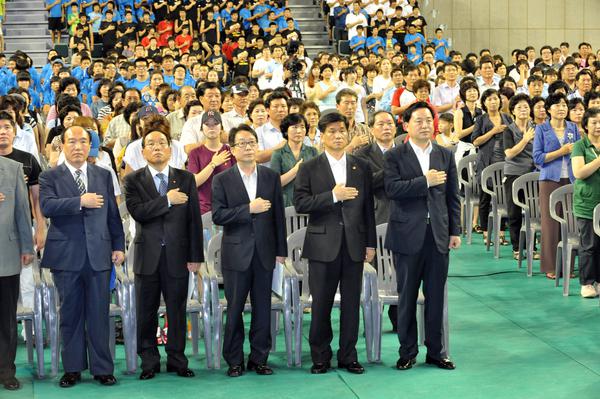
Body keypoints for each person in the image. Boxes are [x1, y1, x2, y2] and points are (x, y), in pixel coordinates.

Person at [40, 126, 125, 388]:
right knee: (71, 314)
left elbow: (112, 213)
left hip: (99, 254)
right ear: (62, 145)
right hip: (66, 256)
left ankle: (102, 368)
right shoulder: (50, 176)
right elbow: (46, 206)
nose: (78, 146)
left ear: (90, 146)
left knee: (99, 313)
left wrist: (119, 245)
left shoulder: (102, 174)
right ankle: (73, 368)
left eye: (83, 142)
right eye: (72, 142)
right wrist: (79, 201)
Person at [293, 111, 376, 375]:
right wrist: (332, 196)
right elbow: (301, 203)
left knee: (352, 304)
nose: (338, 135)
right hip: (321, 245)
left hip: (354, 244)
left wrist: (371, 244)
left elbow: (368, 210)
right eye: (331, 131)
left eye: (342, 130)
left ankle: (348, 356)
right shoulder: (309, 166)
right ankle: (320, 356)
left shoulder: (360, 166)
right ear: (322, 135)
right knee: (321, 305)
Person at [383, 101, 461, 371]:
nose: (426, 125)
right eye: (419, 121)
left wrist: (455, 230)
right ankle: (407, 351)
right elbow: (392, 189)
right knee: (406, 296)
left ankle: (436, 351)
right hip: (406, 234)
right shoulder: (394, 155)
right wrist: (424, 181)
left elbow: (453, 196)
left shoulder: (444, 154)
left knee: (436, 296)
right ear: (406, 125)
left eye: (429, 120)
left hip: (438, 234)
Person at [123, 121, 203, 380]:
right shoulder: (133, 180)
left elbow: (194, 219)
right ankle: (149, 361)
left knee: (177, 310)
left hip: (179, 256)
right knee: (146, 312)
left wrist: (195, 257)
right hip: (147, 256)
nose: (157, 148)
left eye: (162, 144)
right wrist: (167, 199)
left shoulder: (186, 178)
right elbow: (139, 213)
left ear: (171, 149)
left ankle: (178, 360)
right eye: (151, 144)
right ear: (143, 151)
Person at [211, 124, 287, 377]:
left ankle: (259, 358)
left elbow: (278, 214)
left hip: (265, 252)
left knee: (262, 307)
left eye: (251, 142)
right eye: (241, 143)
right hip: (236, 252)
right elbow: (219, 216)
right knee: (234, 309)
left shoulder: (270, 177)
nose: (247, 147)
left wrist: (281, 250)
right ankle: (234, 359)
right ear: (232, 149)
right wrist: (248, 209)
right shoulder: (222, 179)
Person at [355, 110, 399, 330]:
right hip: (374, 217)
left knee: (401, 270)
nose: (386, 127)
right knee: (374, 270)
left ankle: (399, 318)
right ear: (372, 129)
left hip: (402, 217)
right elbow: (366, 184)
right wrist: (391, 169)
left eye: (390, 123)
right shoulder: (362, 155)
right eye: (380, 124)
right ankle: (372, 320)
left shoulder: (405, 151)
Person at [533, 92, 580, 279]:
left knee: (570, 223)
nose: (561, 108)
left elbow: (577, 151)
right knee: (550, 223)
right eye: (557, 105)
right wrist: (561, 151)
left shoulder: (573, 128)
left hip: (570, 178)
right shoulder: (541, 129)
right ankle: (551, 267)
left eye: (564, 105)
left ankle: (568, 266)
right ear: (549, 109)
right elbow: (537, 158)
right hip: (549, 180)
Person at [0, 156, 34, 391]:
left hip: (7, 253)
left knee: (6, 318)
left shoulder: (13, 169)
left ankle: (6, 370)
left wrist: (26, 247)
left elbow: (23, 208)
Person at [471, 88, 513, 244]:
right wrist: (493, 131)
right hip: (486, 164)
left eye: (495, 98)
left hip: (505, 163)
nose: (493, 101)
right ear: (484, 103)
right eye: (489, 99)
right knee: (485, 199)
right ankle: (486, 233)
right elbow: (475, 141)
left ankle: (501, 233)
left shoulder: (507, 118)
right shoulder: (481, 120)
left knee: (502, 199)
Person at [570, 108, 600, 298]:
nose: (598, 126)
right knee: (589, 245)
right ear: (586, 125)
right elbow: (579, 172)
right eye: (594, 122)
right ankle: (587, 283)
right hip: (587, 204)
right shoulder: (580, 146)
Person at [503, 94, 537, 260]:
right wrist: (524, 140)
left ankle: (533, 246)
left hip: (533, 173)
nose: (523, 110)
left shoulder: (536, 127)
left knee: (534, 212)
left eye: (526, 107)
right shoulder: (508, 130)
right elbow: (509, 154)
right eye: (519, 107)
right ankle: (517, 247)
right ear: (513, 112)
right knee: (514, 211)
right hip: (514, 173)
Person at [187, 111, 235, 214]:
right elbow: (194, 182)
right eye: (207, 124)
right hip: (204, 209)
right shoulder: (195, 153)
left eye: (215, 124)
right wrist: (213, 164)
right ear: (201, 128)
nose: (211, 127)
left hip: (228, 207)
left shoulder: (230, 151)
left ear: (221, 127)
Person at [270, 113, 318, 207]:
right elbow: (275, 184)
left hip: (308, 201)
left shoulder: (313, 151)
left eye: (302, 127)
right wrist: (296, 170)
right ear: (286, 130)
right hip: (285, 203)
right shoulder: (278, 153)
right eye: (294, 127)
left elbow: (318, 179)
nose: (299, 131)